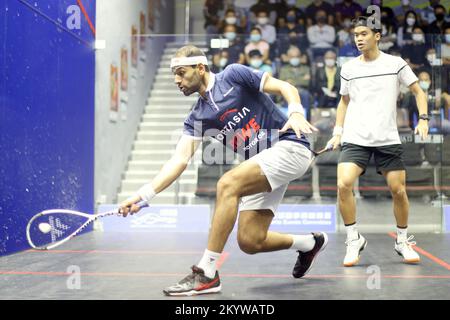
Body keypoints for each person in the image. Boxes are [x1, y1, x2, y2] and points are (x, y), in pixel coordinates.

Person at [119, 45, 328, 296]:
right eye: (174, 74)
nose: (177, 80)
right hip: (264, 163)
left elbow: (287, 87)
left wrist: (295, 112)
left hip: (292, 146)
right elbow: (179, 160)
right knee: (251, 241)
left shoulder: (233, 74)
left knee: (227, 183)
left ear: (200, 67)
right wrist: (143, 196)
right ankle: (310, 243)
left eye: (181, 72)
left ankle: (206, 272)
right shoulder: (197, 115)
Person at [326, 16, 429, 267]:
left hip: (386, 138)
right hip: (355, 137)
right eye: (355, 35)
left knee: (399, 191)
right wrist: (338, 131)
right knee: (343, 184)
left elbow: (418, 91)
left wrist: (423, 119)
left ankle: (402, 241)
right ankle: (354, 239)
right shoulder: (349, 68)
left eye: (363, 33)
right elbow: (344, 101)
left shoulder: (395, 64)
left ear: (377, 36)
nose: (359, 38)